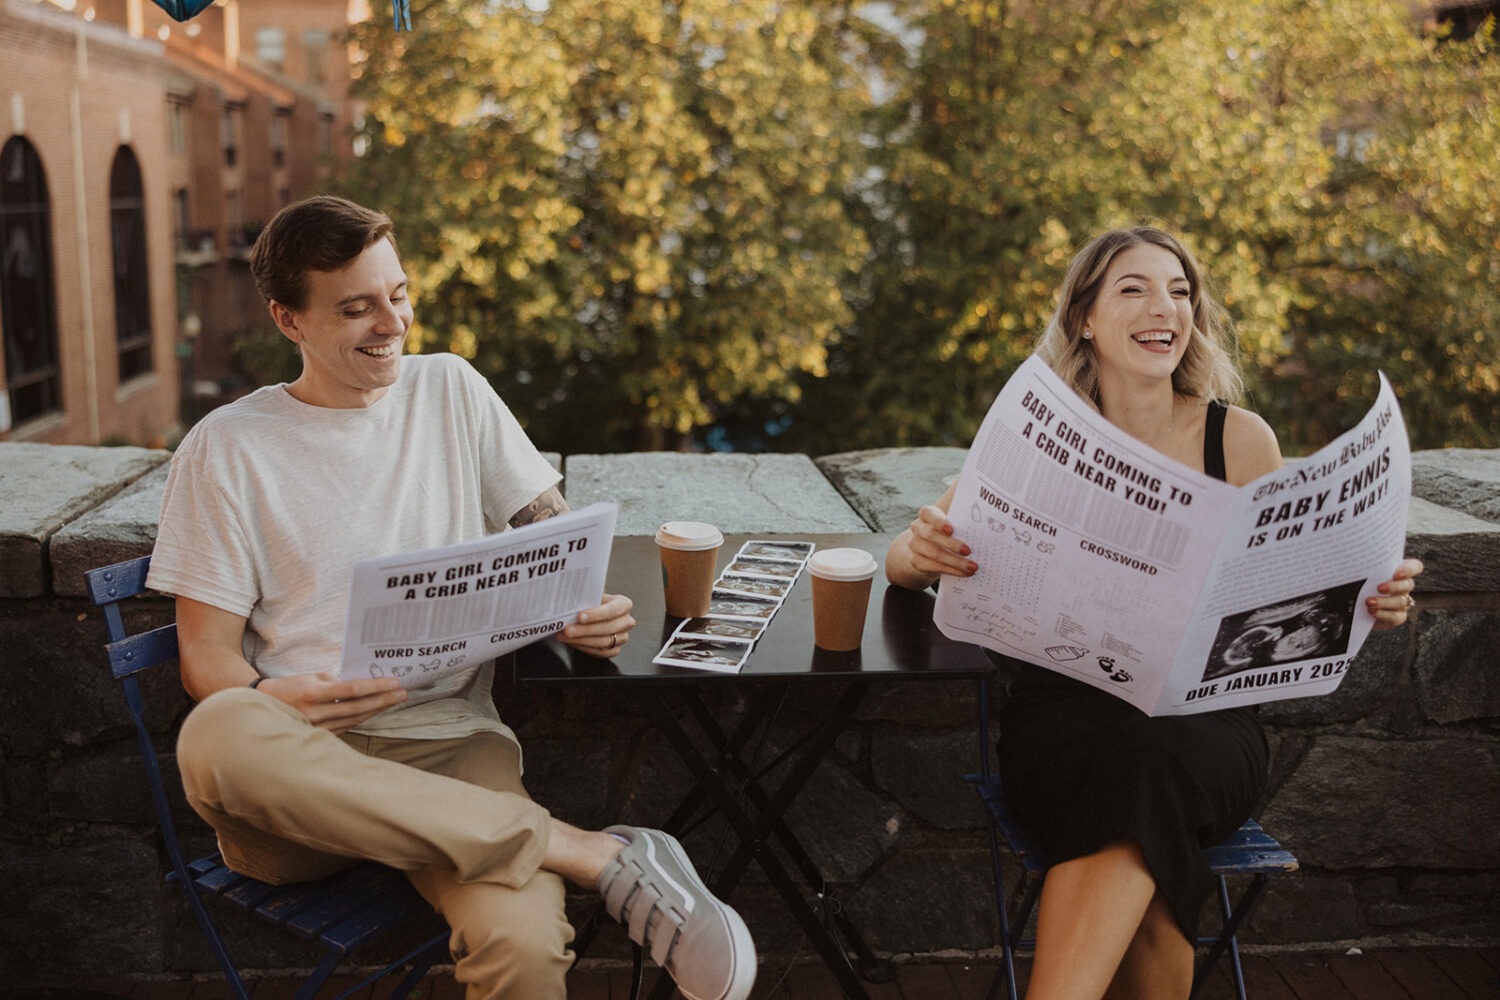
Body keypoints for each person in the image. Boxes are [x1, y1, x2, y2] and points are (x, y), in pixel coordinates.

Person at [145, 195, 756, 1000]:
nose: (390, 323)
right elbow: (205, 659)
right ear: (288, 321)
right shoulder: (228, 446)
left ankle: (556, 852)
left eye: (398, 295)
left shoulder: (453, 393)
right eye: (356, 308)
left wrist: (586, 613)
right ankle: (591, 855)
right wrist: (274, 695)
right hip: (298, 771)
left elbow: (558, 547)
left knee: (526, 946)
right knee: (217, 732)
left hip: (449, 746)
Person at [885, 226, 1422, 1000]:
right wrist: (920, 551)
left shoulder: (1238, 438)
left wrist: (1373, 600)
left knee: (1149, 766)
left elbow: (1291, 598)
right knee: (1143, 825)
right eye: (1132, 288)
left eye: (1178, 291)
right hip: (1065, 723)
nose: (1162, 305)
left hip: (1207, 729)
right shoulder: (1042, 436)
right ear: (1084, 319)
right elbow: (908, 560)